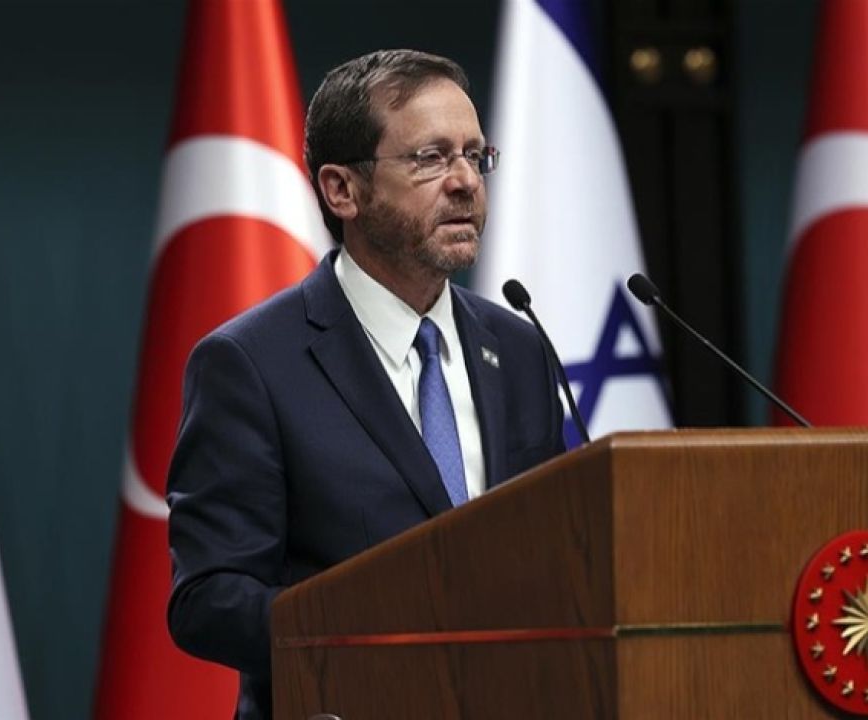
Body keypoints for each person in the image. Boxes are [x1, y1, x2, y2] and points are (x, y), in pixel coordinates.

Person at [165, 49, 567, 720]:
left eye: (475, 155)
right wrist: (381, 634)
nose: (465, 181)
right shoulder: (251, 364)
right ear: (341, 190)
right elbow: (207, 599)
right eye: (430, 158)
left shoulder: (518, 348)